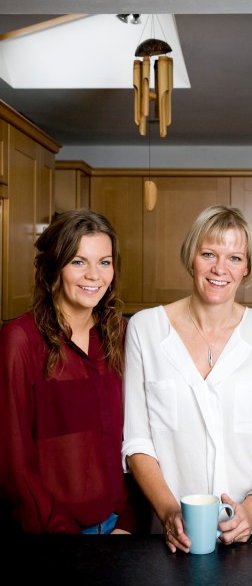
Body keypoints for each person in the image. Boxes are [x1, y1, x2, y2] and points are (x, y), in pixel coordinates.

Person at [122, 204, 252, 553]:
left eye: (235, 258)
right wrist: (168, 512)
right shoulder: (145, 329)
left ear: (247, 267)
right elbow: (137, 442)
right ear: (191, 257)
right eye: (209, 254)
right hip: (180, 534)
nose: (220, 268)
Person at [0, 209, 137, 534]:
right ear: (54, 266)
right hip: (54, 535)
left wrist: (128, 523)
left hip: (120, 529)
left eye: (104, 262)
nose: (94, 275)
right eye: (78, 261)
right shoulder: (20, 340)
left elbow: (137, 437)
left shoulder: (121, 335)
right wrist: (67, 538)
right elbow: (13, 464)